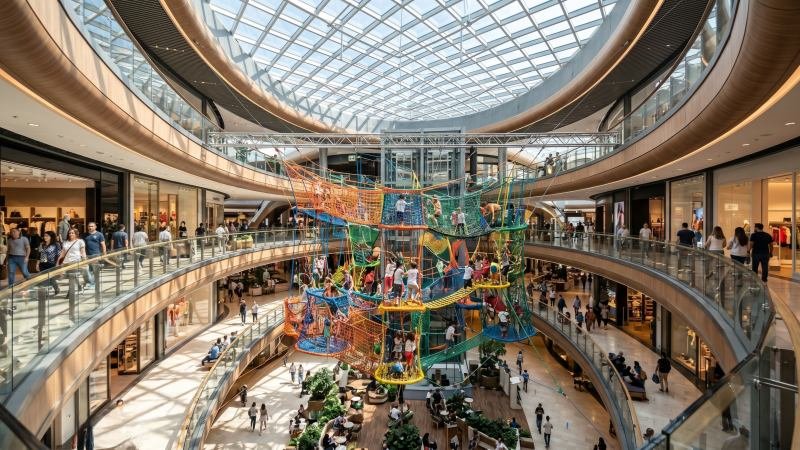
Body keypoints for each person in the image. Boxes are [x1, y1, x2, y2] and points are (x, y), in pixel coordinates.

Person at [84, 222, 107, 287]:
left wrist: (104, 254)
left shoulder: (99, 234)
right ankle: (90, 282)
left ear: (95, 227)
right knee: (88, 270)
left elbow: (103, 245)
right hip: (87, 255)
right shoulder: (85, 235)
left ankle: (93, 283)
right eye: (89, 226)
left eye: (92, 226)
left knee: (95, 269)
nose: (90, 227)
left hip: (96, 254)